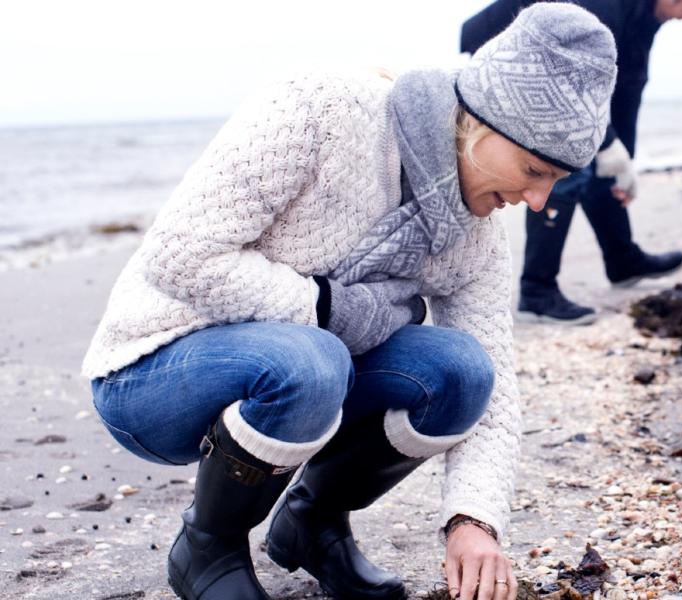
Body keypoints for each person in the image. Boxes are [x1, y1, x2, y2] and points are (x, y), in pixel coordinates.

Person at [80, 5, 617, 600]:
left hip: (305, 369)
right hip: (154, 369)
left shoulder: (476, 234)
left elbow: (496, 389)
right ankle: (207, 546)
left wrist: (473, 521)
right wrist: (328, 310)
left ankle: (312, 521)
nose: (540, 200)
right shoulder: (323, 109)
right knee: (314, 358)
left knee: (462, 373)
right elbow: (180, 255)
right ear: (485, 124)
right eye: (534, 169)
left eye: (558, 179)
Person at [461, 0, 682, 325]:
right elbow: (576, 85)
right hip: (506, 46)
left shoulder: (646, 17)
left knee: (598, 164)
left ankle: (622, 260)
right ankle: (537, 291)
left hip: (560, 70)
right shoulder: (607, 5)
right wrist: (607, 144)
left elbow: (627, 86)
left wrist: (624, 162)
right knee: (563, 164)